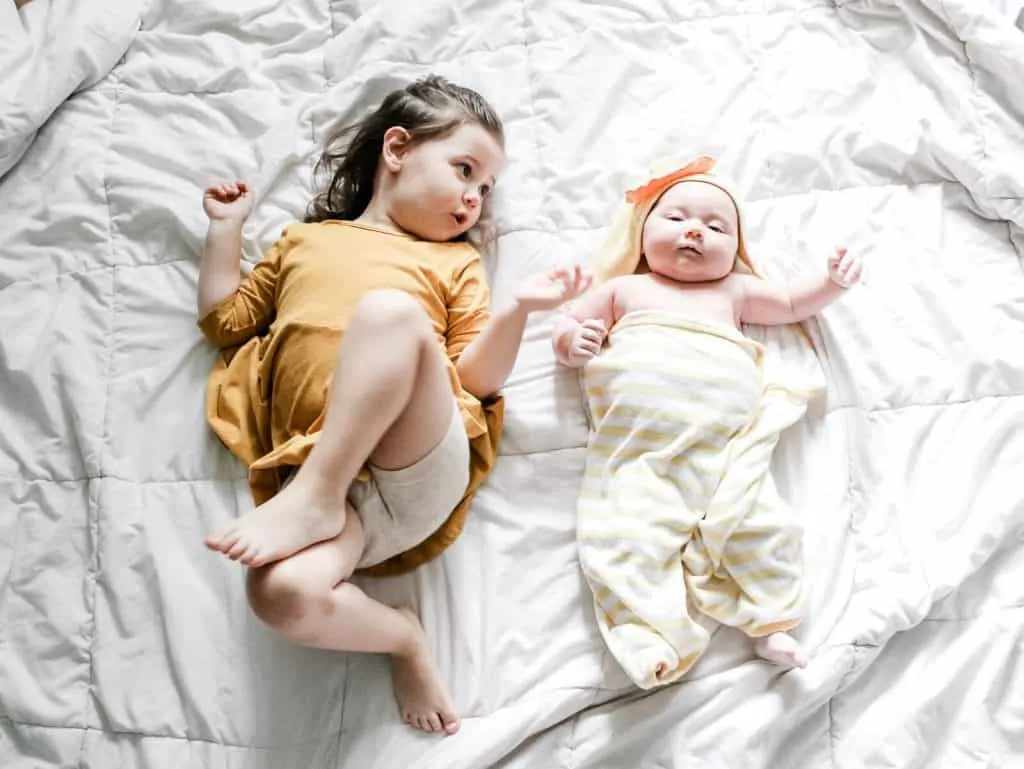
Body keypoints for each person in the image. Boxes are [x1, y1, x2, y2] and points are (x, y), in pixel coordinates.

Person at [197, 75, 590, 734]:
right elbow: (225, 319)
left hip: (412, 472)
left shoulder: (454, 264)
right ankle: (401, 636)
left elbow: (475, 380)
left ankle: (315, 496)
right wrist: (225, 231)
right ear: (398, 148)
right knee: (276, 594)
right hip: (344, 504)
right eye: (465, 169)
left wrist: (520, 309)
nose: (475, 196)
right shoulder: (305, 242)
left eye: (487, 189)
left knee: (390, 315)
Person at [552, 157, 862, 689]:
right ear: (643, 232)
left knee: (762, 526)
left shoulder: (734, 292)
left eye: (717, 227)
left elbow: (790, 302)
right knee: (627, 534)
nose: (695, 230)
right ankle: (652, 636)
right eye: (675, 219)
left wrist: (829, 283)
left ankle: (770, 622)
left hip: (725, 448)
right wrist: (571, 342)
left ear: (736, 248)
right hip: (640, 449)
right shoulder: (625, 289)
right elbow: (571, 320)